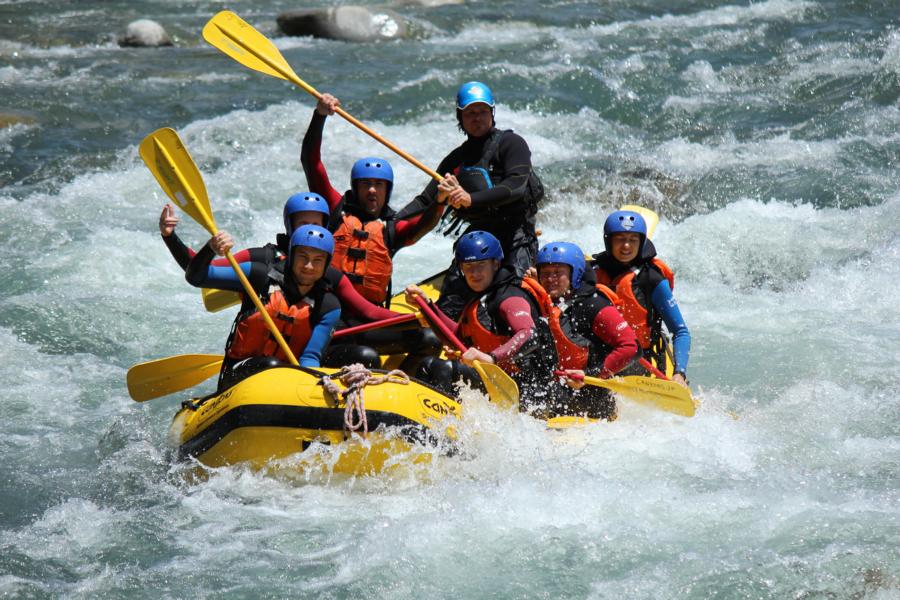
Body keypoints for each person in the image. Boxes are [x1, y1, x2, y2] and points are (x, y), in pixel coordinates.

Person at [159, 193, 425, 370]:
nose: (309, 266)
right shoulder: (259, 266)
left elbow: (366, 313)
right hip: (250, 366)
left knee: (367, 356)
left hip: (294, 366)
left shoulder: (329, 288)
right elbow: (199, 274)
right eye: (302, 224)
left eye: (316, 225)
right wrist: (184, 241)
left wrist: (420, 317)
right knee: (271, 366)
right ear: (290, 225)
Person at [396, 81, 544, 320]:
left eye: (482, 111)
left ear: (492, 113)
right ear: (460, 117)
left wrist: (469, 199)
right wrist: (391, 220)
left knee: (514, 295)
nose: (477, 118)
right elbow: (425, 200)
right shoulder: (456, 159)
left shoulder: (512, 144)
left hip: (516, 236)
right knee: (451, 302)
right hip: (478, 238)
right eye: (470, 113)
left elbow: (515, 186)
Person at [300, 93, 447, 306]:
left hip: (368, 314)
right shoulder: (335, 209)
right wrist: (320, 115)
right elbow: (311, 163)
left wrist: (441, 201)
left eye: (378, 184)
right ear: (355, 188)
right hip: (328, 307)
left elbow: (423, 225)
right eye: (365, 184)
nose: (371, 190)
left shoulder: (392, 229)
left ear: (387, 190)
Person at [404, 231, 560, 411]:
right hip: (501, 382)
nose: (474, 273)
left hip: (527, 393)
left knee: (434, 367)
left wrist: (491, 358)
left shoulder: (509, 296)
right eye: (468, 266)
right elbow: (455, 337)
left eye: (481, 264)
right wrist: (427, 307)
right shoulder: (482, 297)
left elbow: (529, 335)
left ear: (495, 264)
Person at [185, 225, 341, 390]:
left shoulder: (328, 306)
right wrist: (210, 249)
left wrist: (310, 383)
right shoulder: (258, 275)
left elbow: (310, 357)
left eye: (318, 260)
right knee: (271, 365)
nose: (309, 266)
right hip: (238, 374)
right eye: (303, 257)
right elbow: (197, 278)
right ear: (291, 255)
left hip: (287, 382)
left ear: (326, 264)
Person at [534, 241, 639, 419]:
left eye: (558, 273)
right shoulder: (543, 303)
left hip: (593, 396)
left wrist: (589, 374)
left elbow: (632, 347)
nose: (550, 279)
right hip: (557, 392)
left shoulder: (593, 304)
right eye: (545, 273)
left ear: (574, 274)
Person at [591, 210, 691, 386]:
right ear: (609, 241)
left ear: (641, 242)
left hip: (636, 361)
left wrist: (679, 373)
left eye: (633, 240)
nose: (626, 246)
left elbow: (680, 331)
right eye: (620, 239)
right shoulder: (591, 273)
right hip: (596, 355)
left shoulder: (651, 279)